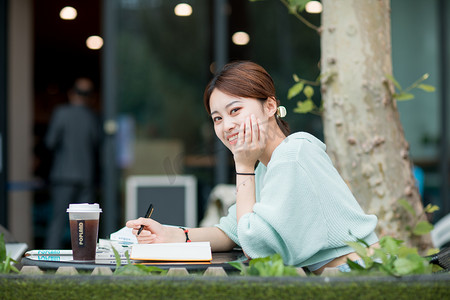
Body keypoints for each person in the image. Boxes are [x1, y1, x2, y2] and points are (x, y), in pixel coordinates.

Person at [126, 61, 379, 274]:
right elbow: (232, 232)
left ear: (270, 106)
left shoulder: (294, 153)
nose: (226, 126)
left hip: (360, 277)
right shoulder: (267, 166)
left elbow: (255, 246)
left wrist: (243, 165)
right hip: (332, 279)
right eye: (217, 118)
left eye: (235, 110)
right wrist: (170, 235)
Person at [45, 78, 101, 249]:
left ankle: (49, 264)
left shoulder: (62, 113)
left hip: (64, 175)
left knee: (57, 222)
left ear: (72, 94)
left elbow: (50, 142)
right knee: (85, 224)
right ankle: (84, 261)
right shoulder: (92, 117)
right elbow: (98, 143)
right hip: (86, 176)